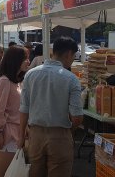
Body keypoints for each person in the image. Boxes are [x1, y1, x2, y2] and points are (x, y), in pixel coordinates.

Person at [19, 37, 83, 177]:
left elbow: (24, 108)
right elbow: (77, 117)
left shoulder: (31, 74)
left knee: (35, 172)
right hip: (60, 135)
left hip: (35, 134)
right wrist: (69, 130)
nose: (72, 60)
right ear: (68, 54)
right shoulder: (71, 79)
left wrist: (21, 137)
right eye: (73, 56)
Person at [0, 46, 28, 177]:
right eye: (25, 59)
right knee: (1, 172)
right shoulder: (5, 81)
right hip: (8, 134)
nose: (28, 62)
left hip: (18, 133)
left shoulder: (17, 81)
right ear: (15, 60)